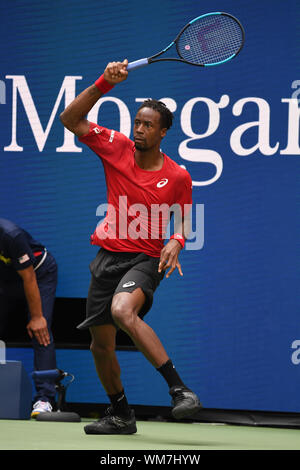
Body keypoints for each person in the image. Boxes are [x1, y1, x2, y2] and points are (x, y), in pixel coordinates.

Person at [60, 59, 201, 435]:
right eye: (137, 122)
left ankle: (179, 389)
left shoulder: (177, 176)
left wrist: (177, 239)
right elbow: (70, 119)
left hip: (144, 259)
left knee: (124, 311)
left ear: (164, 132)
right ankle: (121, 414)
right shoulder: (115, 147)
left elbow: (186, 218)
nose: (139, 129)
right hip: (106, 258)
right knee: (100, 347)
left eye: (148, 125)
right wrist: (102, 83)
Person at [0, 218, 58, 417]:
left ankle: (45, 398)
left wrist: (36, 317)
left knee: (40, 329)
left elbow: (29, 277)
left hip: (39, 273)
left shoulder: (10, 235)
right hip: (8, 276)